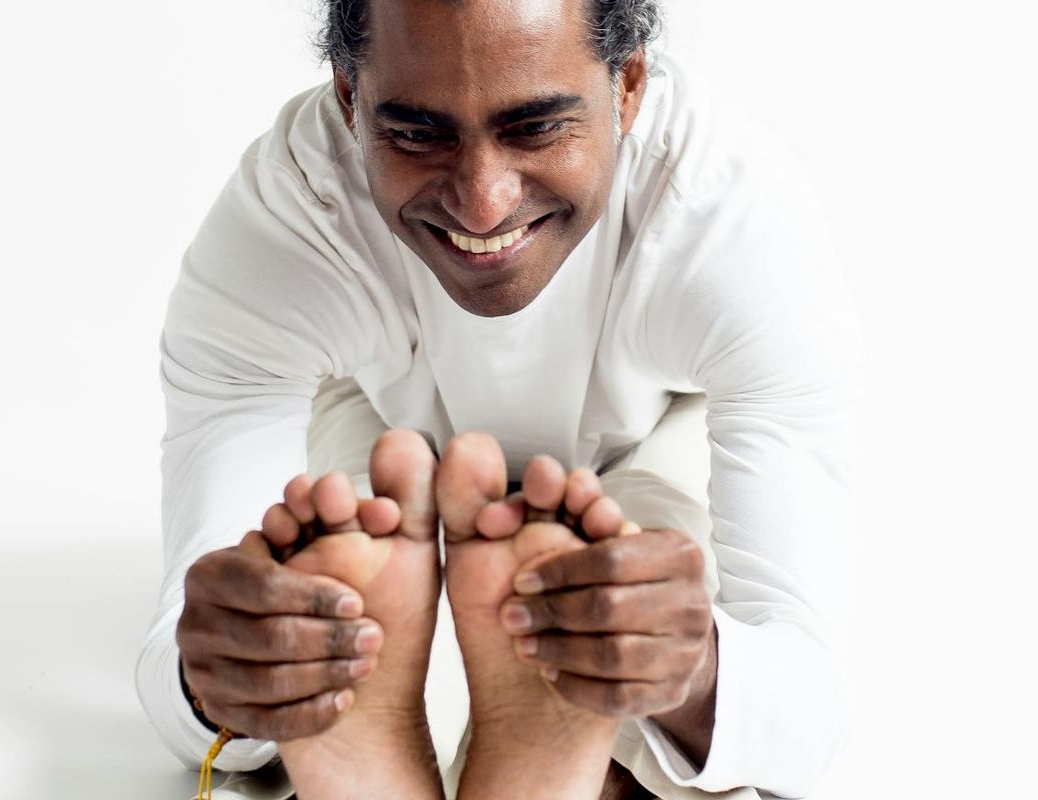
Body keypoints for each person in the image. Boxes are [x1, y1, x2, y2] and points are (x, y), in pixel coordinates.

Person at [134, 0, 863, 797]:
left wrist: (683, 664)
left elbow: (810, 713)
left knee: (644, 577)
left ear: (628, 84)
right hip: (384, 421)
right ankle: (375, 683)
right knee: (312, 571)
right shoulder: (287, 220)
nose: (483, 203)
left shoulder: (732, 226)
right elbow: (191, 623)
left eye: (536, 128)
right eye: (417, 134)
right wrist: (231, 666)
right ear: (348, 98)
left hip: (651, 431)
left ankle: (595, 747)